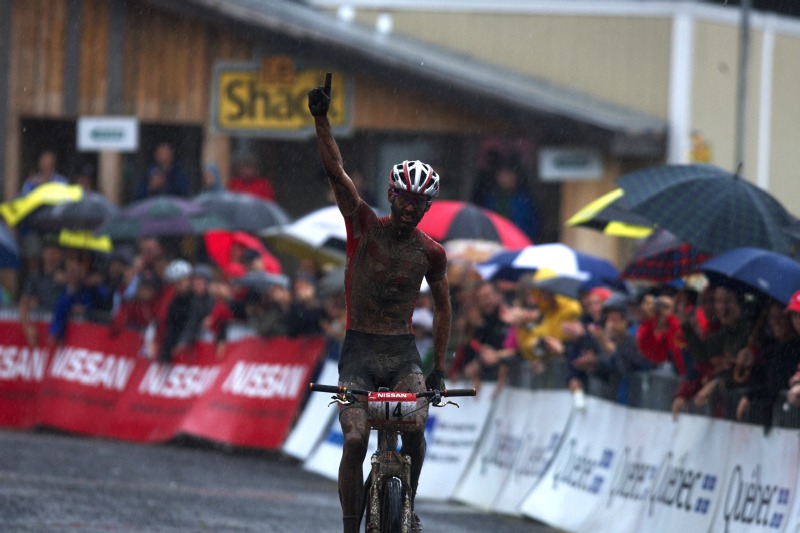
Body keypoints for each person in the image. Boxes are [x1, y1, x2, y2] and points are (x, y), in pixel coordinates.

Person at [309, 73, 451, 533]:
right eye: (405, 199)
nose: (411, 208)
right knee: (354, 440)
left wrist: (440, 370)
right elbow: (337, 172)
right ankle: (352, 525)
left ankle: (404, 506)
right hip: (359, 354)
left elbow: (445, 309)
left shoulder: (431, 253)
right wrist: (321, 120)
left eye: (419, 203)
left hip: (403, 357)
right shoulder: (363, 224)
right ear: (393, 195)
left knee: (417, 436)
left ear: (428, 207)